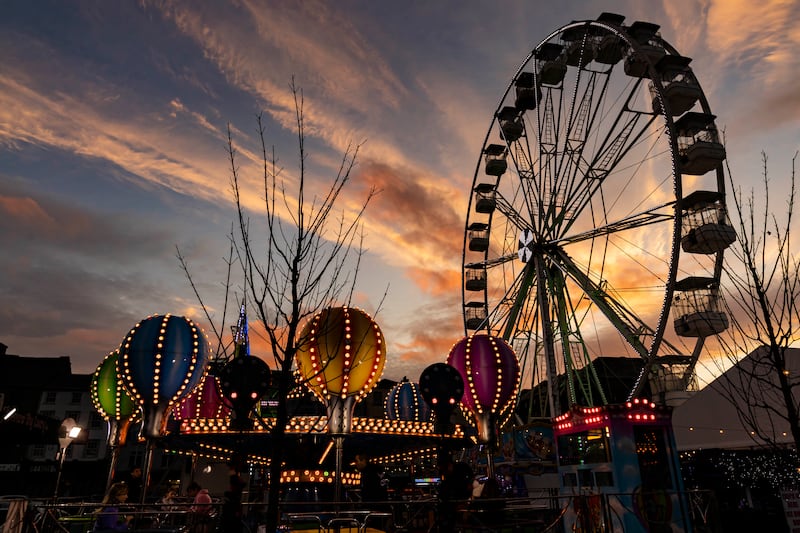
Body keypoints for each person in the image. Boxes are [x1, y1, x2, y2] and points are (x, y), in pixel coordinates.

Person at [219, 460, 246, 533]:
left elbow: (235, 494)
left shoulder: (234, 478)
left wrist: (228, 494)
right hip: (235, 507)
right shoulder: (236, 478)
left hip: (232, 507)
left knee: (230, 526)